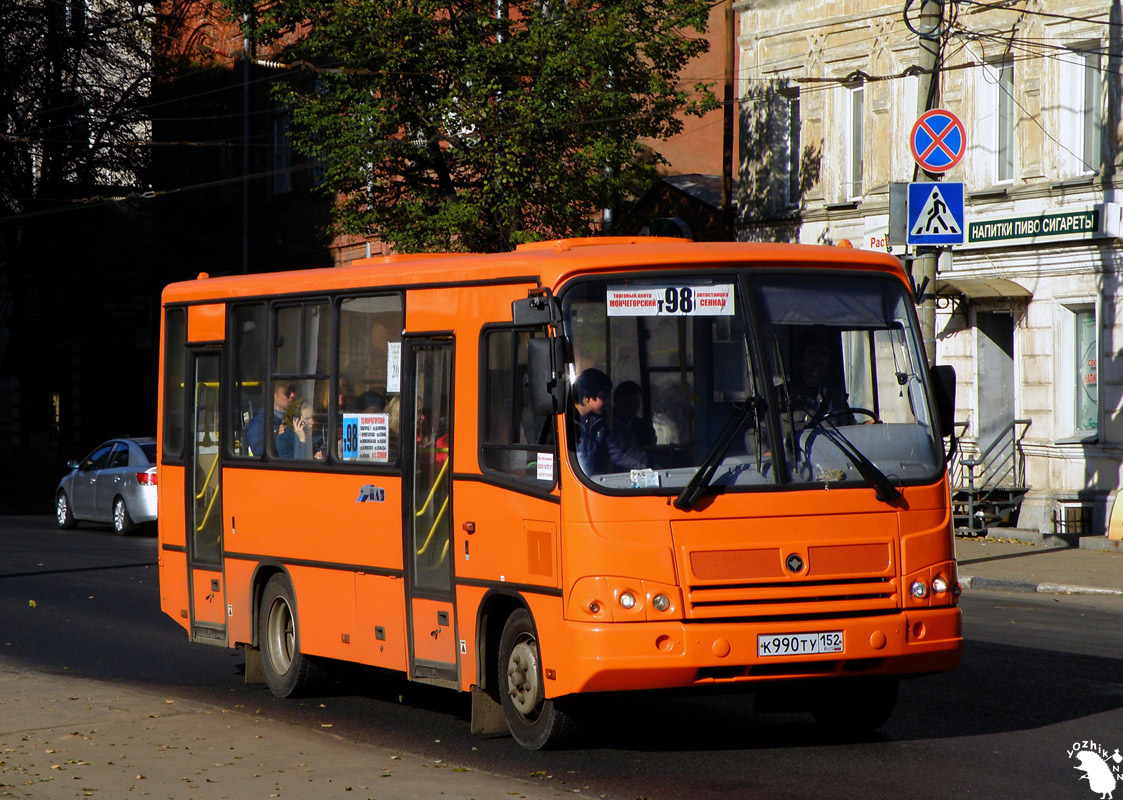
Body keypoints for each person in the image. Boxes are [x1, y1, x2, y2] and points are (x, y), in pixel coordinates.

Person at [574, 368, 647, 475]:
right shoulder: (562, 422)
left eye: (608, 396)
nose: (608, 402)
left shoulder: (599, 424)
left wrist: (646, 463)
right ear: (587, 397)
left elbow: (618, 452)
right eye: (603, 397)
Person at [787, 332, 852, 427]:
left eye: (823, 355)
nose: (819, 360)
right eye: (812, 354)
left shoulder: (836, 399)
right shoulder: (783, 397)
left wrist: (866, 426)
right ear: (801, 360)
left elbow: (850, 428)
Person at [246, 382, 293, 457]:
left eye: (293, 391)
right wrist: (277, 436)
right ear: (274, 396)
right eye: (287, 393)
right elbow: (259, 451)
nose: (292, 395)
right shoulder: (258, 422)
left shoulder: (295, 419)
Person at [612, 380, 657, 450]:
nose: (632, 411)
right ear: (616, 401)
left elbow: (651, 450)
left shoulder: (644, 427)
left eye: (636, 406)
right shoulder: (603, 425)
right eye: (627, 405)